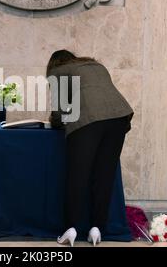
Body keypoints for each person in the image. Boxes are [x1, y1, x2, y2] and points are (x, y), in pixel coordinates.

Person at [46, 49, 133, 247]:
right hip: (119, 117)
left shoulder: (57, 72)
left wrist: (55, 121)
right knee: (104, 175)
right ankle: (97, 229)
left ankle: (70, 229)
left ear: (54, 63)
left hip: (88, 121)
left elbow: (60, 113)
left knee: (78, 175)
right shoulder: (96, 66)